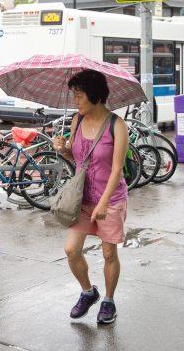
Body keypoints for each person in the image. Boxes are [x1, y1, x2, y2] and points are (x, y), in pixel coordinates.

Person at [52, 69, 129, 325]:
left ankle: (108, 300)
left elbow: (117, 170)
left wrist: (104, 202)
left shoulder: (117, 125)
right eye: (74, 95)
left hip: (111, 198)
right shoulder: (76, 120)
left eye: (80, 95)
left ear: (95, 96)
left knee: (109, 254)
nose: (76, 100)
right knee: (71, 249)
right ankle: (88, 291)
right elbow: (77, 160)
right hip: (82, 198)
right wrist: (63, 151)